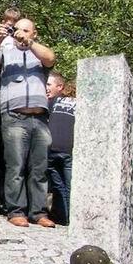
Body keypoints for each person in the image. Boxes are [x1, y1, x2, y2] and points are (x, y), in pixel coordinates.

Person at [0, 15, 57, 228]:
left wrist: (29, 43)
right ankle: (16, 210)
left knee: (40, 168)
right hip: (14, 116)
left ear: (34, 33)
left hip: (39, 118)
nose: (20, 34)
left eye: (26, 30)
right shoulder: (6, 49)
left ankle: (39, 212)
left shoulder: (38, 52)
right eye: (17, 29)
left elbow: (50, 58)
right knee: (16, 166)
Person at [45, 73, 76, 225]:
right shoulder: (81, 104)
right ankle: (69, 220)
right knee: (69, 187)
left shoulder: (55, 101)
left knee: (59, 187)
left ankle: (64, 218)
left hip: (52, 148)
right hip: (69, 150)